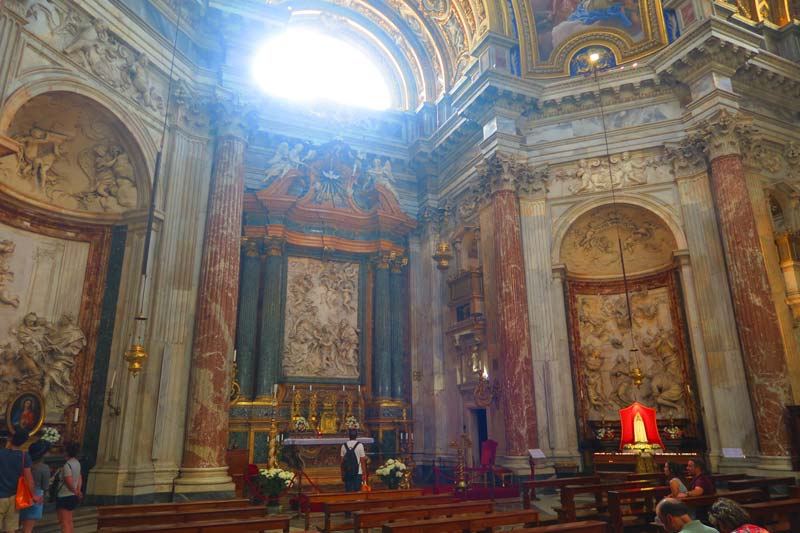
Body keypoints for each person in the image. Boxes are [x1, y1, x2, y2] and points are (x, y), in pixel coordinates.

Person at [0, 430, 37, 533]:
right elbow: (29, 479)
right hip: (14, 497)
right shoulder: (25, 457)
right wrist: (33, 496)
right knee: (11, 528)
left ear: (11, 438)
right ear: (24, 442)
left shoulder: (1, 453)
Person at [20, 439, 50, 533]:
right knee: (27, 529)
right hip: (35, 496)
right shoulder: (44, 468)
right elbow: (45, 486)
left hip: (20, 494)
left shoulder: (22, 464)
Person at [56, 442, 82, 533]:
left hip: (65, 495)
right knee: (70, 521)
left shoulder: (67, 465)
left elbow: (68, 481)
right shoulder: (77, 463)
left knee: (64, 522)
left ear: (67, 452)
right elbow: (79, 477)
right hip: (72, 495)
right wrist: (78, 490)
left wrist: (75, 491)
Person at [340, 428, 366, 493]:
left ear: (349, 436)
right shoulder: (360, 445)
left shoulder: (344, 446)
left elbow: (342, 462)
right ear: (356, 436)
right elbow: (362, 461)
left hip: (347, 472)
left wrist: (342, 473)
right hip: (358, 472)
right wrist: (364, 474)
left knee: (348, 492)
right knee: (358, 492)